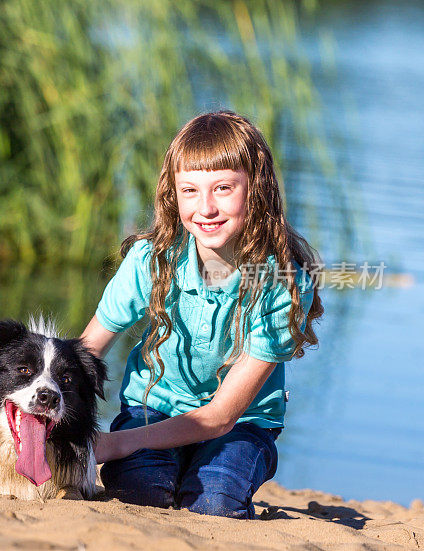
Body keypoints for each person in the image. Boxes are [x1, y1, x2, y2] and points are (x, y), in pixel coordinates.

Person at [82, 111, 323, 518]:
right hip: (151, 407)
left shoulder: (283, 285)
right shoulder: (150, 260)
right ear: (173, 195)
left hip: (243, 423)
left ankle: (211, 474)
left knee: (213, 502)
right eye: (189, 190)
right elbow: (85, 353)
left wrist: (113, 444)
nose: (205, 207)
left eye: (224, 188)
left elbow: (221, 416)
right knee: (142, 491)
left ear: (256, 190)